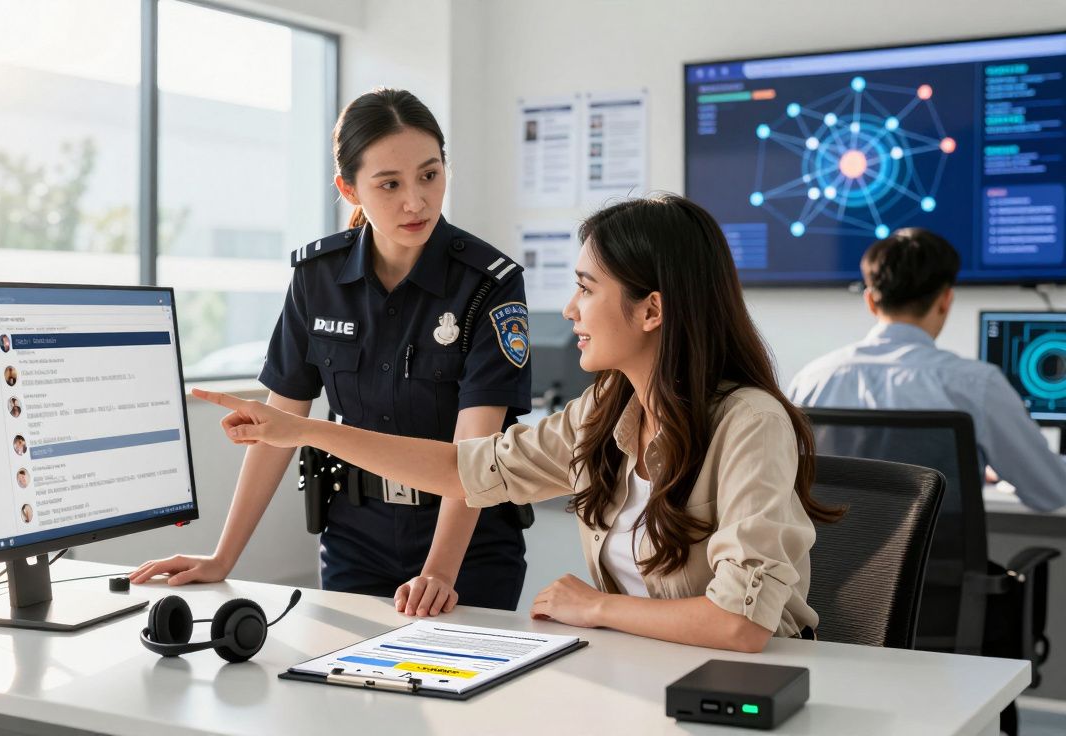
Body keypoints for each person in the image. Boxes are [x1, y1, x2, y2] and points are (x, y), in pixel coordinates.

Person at [190, 194, 843, 653]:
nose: (570, 308)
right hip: (641, 674)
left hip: (742, 692)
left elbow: (740, 625)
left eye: (587, 289)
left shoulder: (749, 424)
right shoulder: (608, 409)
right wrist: (304, 431)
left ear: (651, 312)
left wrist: (595, 607)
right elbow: (464, 468)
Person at [131, 88, 534, 616]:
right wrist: (223, 556)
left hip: (469, 548)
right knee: (345, 690)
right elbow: (280, 426)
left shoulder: (489, 285)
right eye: (389, 184)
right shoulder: (316, 279)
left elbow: (474, 454)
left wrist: (438, 570)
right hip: (354, 541)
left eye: (430, 175)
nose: (416, 201)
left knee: (457, 692)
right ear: (350, 189)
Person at [788, 228, 1066, 511]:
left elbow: (789, 486)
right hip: (938, 555)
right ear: (946, 300)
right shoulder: (976, 384)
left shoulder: (812, 380)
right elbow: (1052, 493)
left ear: (871, 301)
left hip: (840, 554)